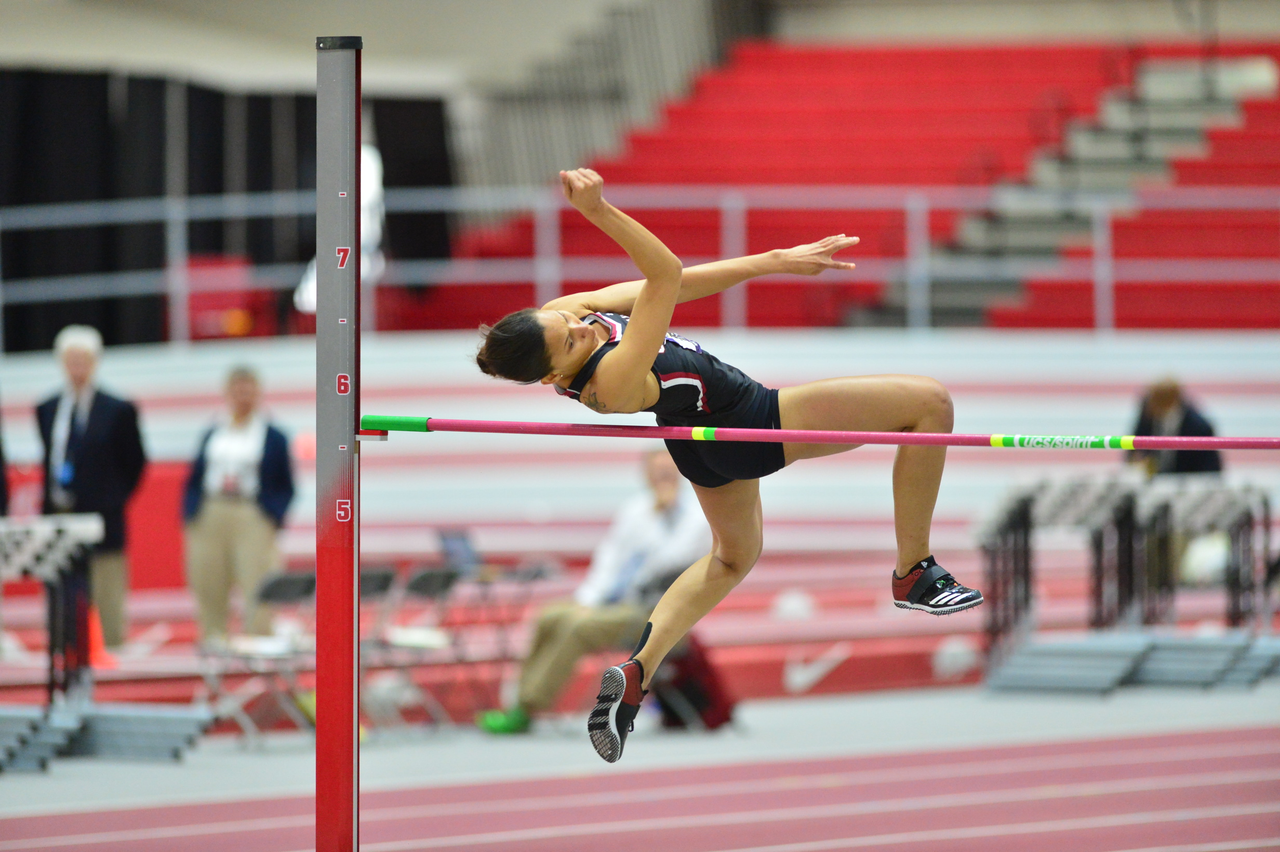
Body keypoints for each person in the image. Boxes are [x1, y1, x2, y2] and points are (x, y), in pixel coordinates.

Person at [475, 169, 982, 764]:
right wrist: (600, 211)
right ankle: (913, 570)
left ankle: (639, 671)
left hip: (694, 437)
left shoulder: (561, 318)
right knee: (930, 404)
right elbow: (662, 275)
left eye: (565, 319)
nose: (579, 325)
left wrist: (773, 260)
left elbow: (677, 285)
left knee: (731, 558)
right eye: (570, 341)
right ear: (555, 377)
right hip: (747, 418)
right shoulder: (606, 383)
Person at [477, 448, 710, 734]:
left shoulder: (698, 516)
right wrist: (588, 600)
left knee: (579, 626)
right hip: (614, 602)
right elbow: (609, 558)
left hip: (652, 612)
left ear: (681, 472)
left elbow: (667, 561)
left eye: (668, 471)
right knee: (550, 616)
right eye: (656, 471)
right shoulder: (635, 509)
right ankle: (516, 701)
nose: (663, 477)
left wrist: (665, 512)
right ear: (646, 475)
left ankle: (529, 707)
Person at [36, 326, 146, 649]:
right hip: (59, 514)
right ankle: (62, 654)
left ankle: (111, 658)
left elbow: (135, 462)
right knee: (62, 596)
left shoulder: (117, 410)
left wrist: (112, 499)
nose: (77, 367)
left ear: (95, 362)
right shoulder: (48, 408)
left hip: (102, 518)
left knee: (106, 593)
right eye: (71, 360)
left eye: (83, 360)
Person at [182, 366, 295, 645]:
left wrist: (272, 516)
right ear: (227, 393)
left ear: (258, 393)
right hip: (212, 509)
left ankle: (259, 641)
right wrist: (191, 512)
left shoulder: (273, 436)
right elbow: (196, 475)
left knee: (256, 580)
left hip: (251, 511)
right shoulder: (214, 430)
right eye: (237, 390)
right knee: (209, 580)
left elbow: (285, 483)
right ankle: (214, 639)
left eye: (248, 390)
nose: (242, 396)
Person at [1128, 378, 1223, 477]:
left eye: (1157, 401)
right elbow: (1132, 449)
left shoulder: (1200, 428)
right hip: (1151, 481)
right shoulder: (1147, 415)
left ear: (1172, 401)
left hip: (1185, 483)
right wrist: (1137, 461)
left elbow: (1212, 471)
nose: (1151, 406)